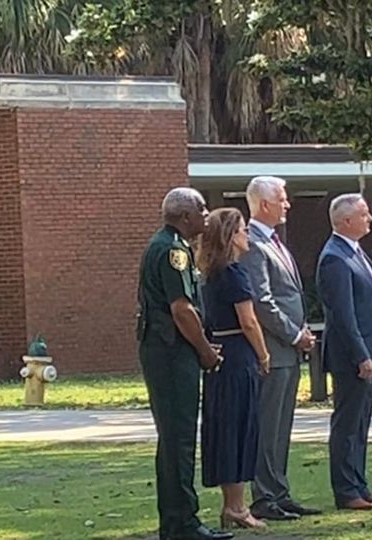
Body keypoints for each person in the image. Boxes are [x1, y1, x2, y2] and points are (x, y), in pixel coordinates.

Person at [136, 187, 232, 540]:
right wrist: (205, 351)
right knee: (179, 438)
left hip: (166, 350)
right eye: (201, 209)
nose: (207, 215)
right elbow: (182, 309)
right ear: (184, 216)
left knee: (173, 438)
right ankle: (183, 523)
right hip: (171, 352)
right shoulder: (173, 250)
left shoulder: (169, 245)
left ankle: (175, 521)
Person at [238, 176, 321, 521]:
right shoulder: (254, 244)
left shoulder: (275, 241)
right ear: (265, 204)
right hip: (273, 349)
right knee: (268, 425)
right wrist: (293, 334)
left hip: (287, 349)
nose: (287, 205)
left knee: (282, 425)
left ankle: (280, 491)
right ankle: (264, 497)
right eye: (282, 200)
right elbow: (262, 301)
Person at [316, 194, 372, 511]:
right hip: (351, 357)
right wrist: (362, 354)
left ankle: (359, 484)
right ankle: (346, 491)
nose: (370, 218)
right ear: (345, 221)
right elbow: (343, 315)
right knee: (347, 424)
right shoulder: (335, 257)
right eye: (363, 214)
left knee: (361, 423)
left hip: (371, 350)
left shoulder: (356, 253)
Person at [196, 208, 270, 530]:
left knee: (225, 427)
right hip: (239, 355)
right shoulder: (235, 273)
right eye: (242, 229)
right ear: (230, 236)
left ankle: (232, 504)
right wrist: (264, 355)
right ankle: (237, 507)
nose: (247, 235)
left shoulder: (210, 274)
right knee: (240, 426)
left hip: (218, 356)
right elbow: (249, 320)